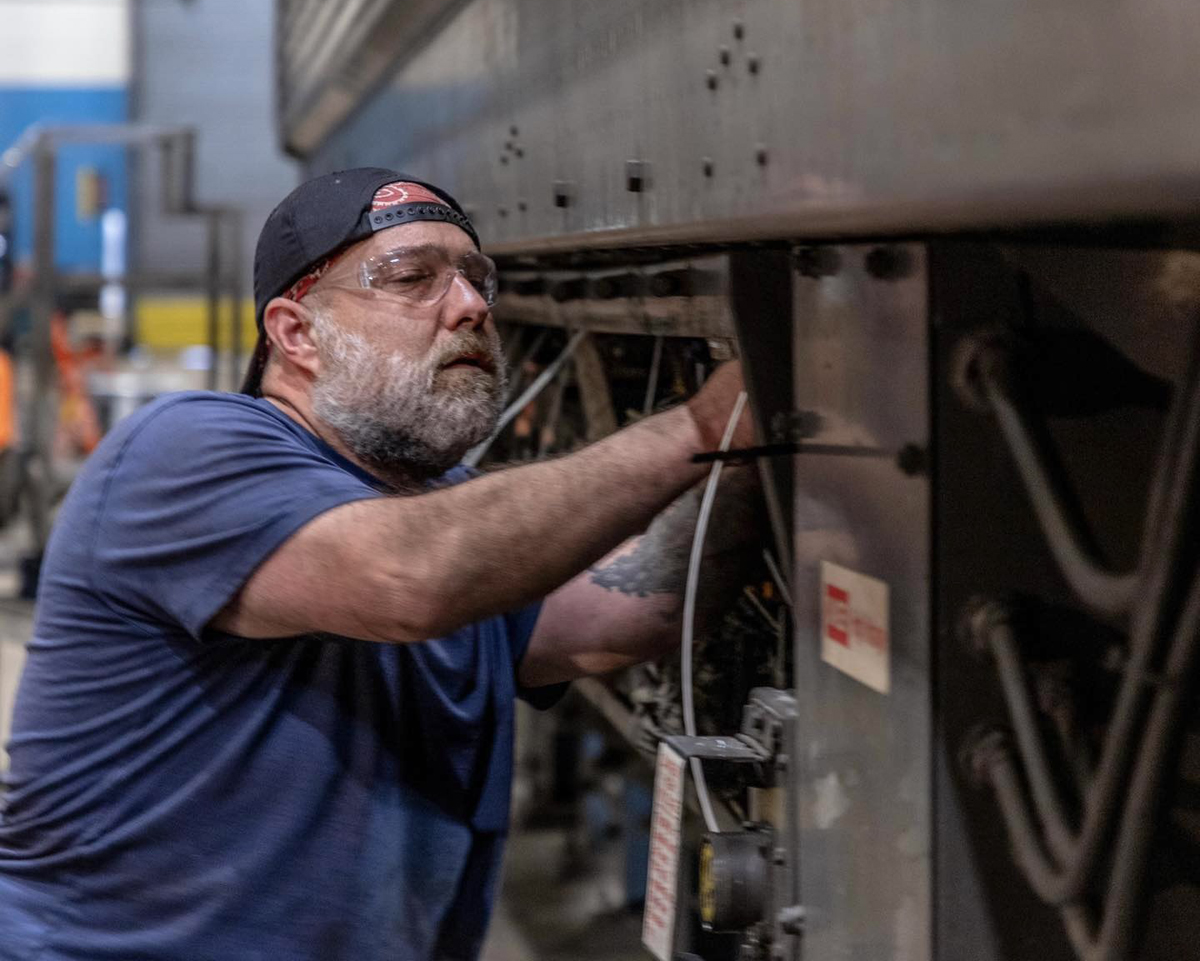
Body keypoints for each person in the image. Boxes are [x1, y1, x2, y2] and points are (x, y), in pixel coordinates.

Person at [0, 168, 755, 960]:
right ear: (296, 332)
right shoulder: (186, 450)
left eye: (476, 279)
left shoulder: (444, 510)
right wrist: (699, 427)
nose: (469, 306)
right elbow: (408, 576)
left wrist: (754, 433)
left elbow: (624, 613)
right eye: (411, 278)